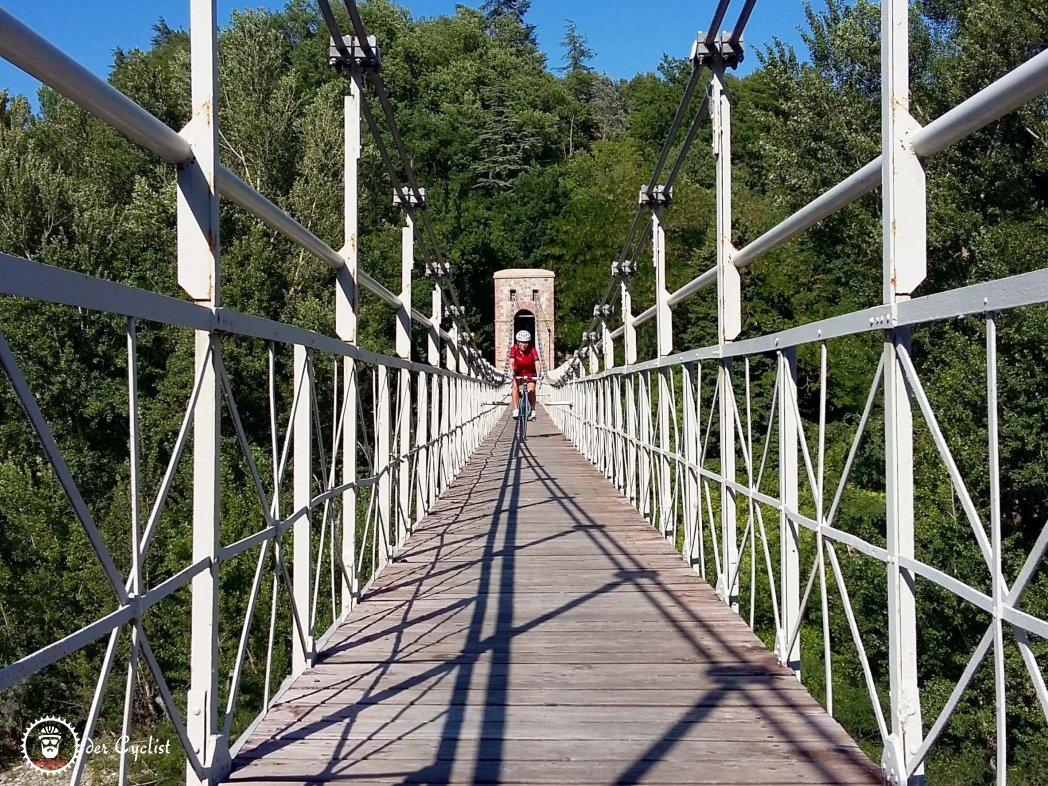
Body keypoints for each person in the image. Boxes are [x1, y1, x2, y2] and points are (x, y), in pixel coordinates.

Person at [508, 329, 540, 421]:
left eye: (526, 342)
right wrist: (511, 372)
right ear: (518, 342)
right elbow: (511, 362)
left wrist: (539, 373)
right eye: (521, 342)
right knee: (515, 386)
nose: (523, 345)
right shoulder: (514, 349)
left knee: (531, 389)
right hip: (518, 372)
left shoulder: (532, 350)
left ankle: (533, 410)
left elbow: (537, 362)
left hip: (530, 372)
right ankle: (516, 409)